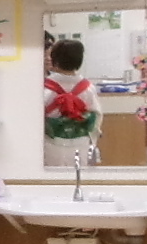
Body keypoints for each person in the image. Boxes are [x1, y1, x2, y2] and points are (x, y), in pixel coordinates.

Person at [44, 37, 103, 167]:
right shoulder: (88, 88)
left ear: (55, 59)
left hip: (50, 144)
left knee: (52, 177)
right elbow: (96, 117)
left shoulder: (44, 88)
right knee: (78, 174)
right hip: (81, 144)